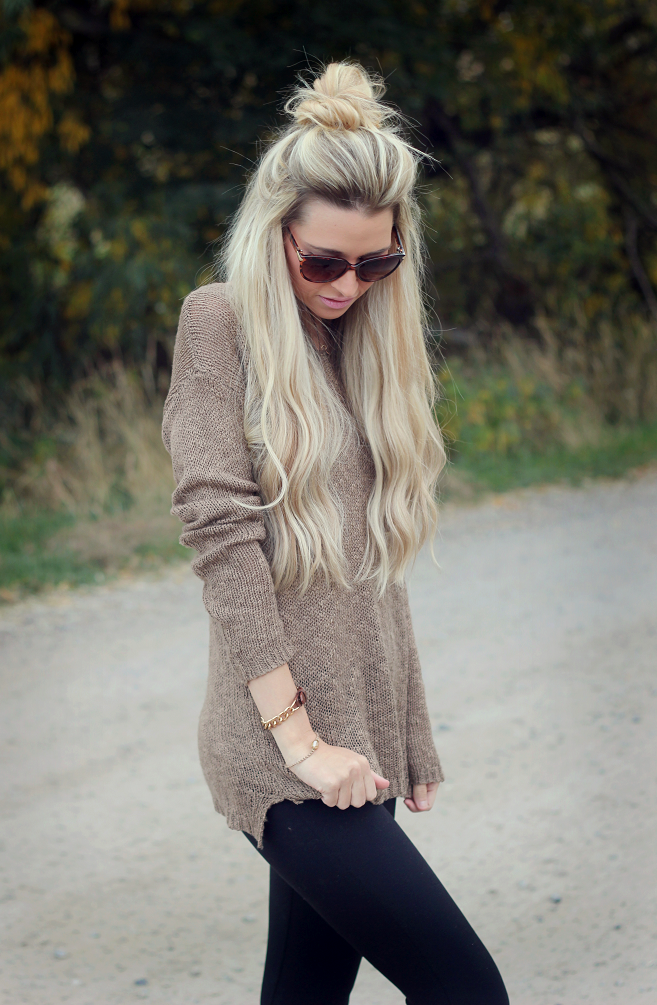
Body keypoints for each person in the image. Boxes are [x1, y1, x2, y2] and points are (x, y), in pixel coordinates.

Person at [162, 61, 508, 1005]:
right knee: (467, 988)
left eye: (375, 263)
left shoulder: (358, 343)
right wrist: (301, 743)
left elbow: (371, 567)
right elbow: (224, 541)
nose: (348, 284)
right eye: (322, 261)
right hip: (285, 752)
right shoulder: (220, 322)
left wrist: (408, 728)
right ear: (275, 230)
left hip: (357, 743)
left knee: (304, 991)